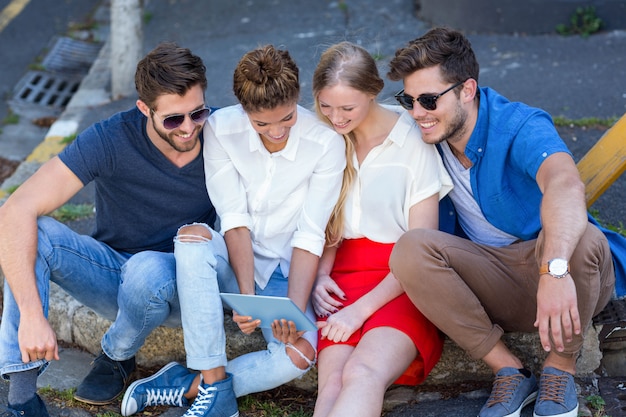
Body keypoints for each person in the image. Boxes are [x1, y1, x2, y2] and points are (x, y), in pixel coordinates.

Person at [386, 27, 616, 417]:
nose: (416, 113)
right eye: (407, 100)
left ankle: (559, 369)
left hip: (561, 273)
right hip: (490, 276)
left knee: (583, 240)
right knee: (411, 249)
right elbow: (353, 113)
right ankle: (509, 370)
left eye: (427, 100)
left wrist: (554, 269)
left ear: (467, 90)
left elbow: (564, 183)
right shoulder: (422, 133)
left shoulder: (519, 125)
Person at [120, 44, 346, 416]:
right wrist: (244, 298)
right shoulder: (222, 128)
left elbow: (309, 234)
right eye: (262, 123)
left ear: (298, 97)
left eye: (287, 117)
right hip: (233, 261)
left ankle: (191, 386)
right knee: (192, 238)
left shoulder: (325, 144)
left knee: (299, 356)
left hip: (286, 271)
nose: (276, 131)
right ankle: (214, 383)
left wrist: (290, 309)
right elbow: (233, 217)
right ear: (243, 109)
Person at [0, 42, 220, 416]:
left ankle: (116, 353)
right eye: (173, 120)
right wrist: (34, 317)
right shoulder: (110, 139)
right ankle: (22, 398)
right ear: (144, 109)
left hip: (188, 285)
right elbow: (15, 209)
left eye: (197, 113)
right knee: (35, 230)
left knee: (147, 267)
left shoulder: (223, 133)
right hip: (115, 276)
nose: (189, 128)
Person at [309, 41, 453, 417]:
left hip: (401, 280)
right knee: (331, 385)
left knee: (364, 371)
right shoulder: (326, 140)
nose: (335, 117)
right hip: (343, 277)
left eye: (346, 108)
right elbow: (326, 221)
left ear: (373, 93)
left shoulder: (412, 141)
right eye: (326, 106)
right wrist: (320, 275)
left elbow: (423, 248)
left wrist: (358, 313)